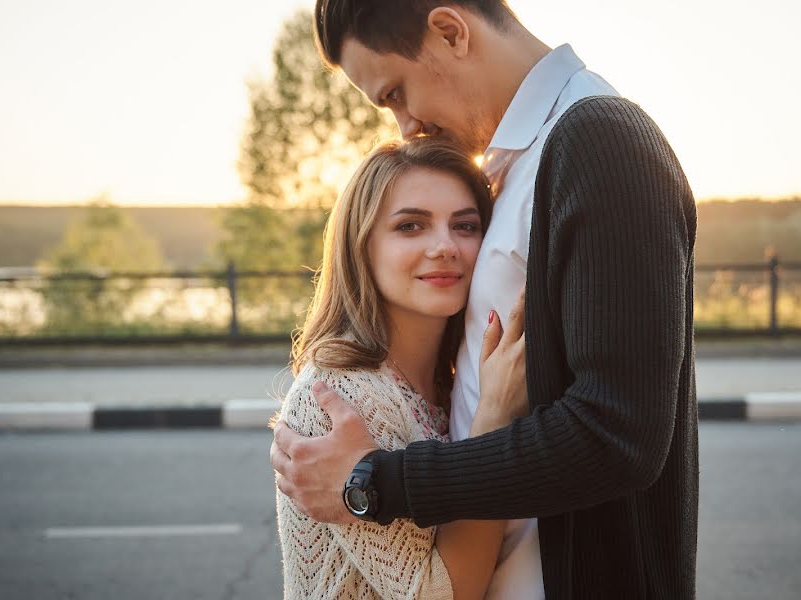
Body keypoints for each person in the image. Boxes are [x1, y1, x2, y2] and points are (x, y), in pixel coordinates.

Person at [272, 1, 699, 598]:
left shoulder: (600, 140)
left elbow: (617, 435)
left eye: (395, 93)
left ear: (450, 31)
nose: (404, 125)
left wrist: (380, 480)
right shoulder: (522, 165)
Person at [274, 136, 529, 599]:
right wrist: (495, 416)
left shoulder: (448, 380)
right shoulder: (343, 396)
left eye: (465, 226)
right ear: (362, 246)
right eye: (411, 226)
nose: (445, 246)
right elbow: (441, 595)